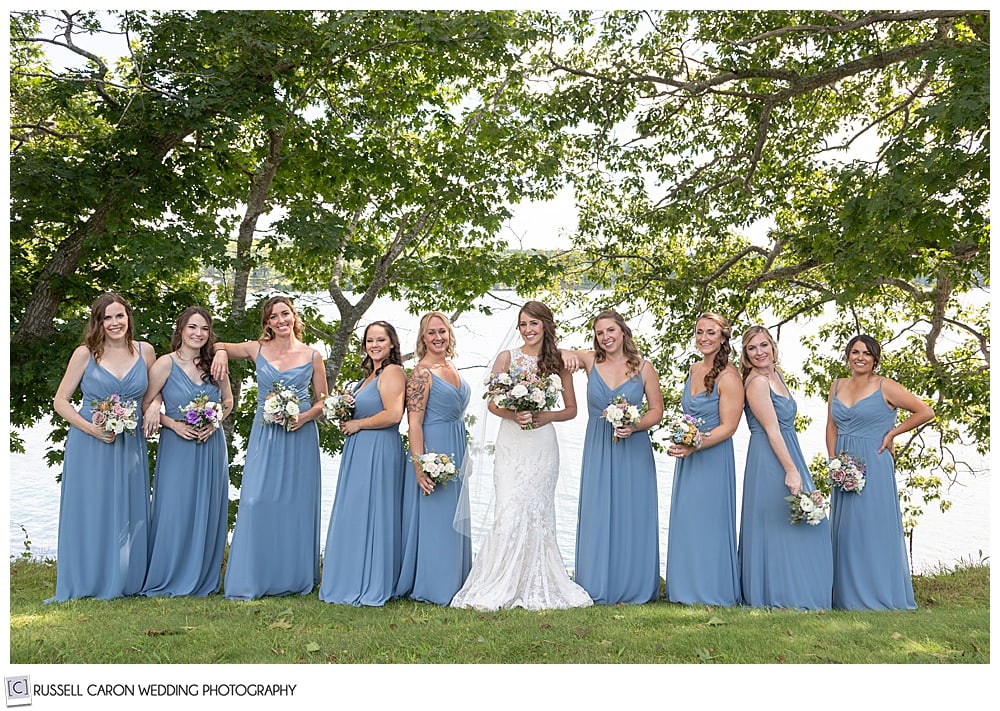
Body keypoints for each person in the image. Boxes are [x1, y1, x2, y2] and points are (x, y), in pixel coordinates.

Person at [451, 300, 592, 610]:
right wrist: (514, 415)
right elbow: (491, 404)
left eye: (534, 323)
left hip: (542, 443)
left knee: (539, 510)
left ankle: (538, 581)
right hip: (512, 442)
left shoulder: (556, 361)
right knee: (509, 507)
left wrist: (546, 416)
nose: (528, 330)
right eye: (523, 324)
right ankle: (500, 580)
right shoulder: (507, 358)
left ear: (545, 326)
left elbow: (571, 409)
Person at [210, 296, 327, 600]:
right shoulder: (256, 348)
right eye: (273, 317)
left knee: (295, 505)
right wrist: (221, 353)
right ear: (267, 322)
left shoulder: (313, 355)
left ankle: (291, 578)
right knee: (254, 500)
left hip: (300, 434)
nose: (280, 321)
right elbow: (218, 344)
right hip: (266, 434)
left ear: (294, 316)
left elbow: (323, 400)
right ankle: (252, 576)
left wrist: (304, 417)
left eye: (285, 314)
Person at [48, 292, 158, 602]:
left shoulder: (145, 352)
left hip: (130, 443)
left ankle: (128, 578)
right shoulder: (85, 354)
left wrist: (153, 407)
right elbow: (60, 402)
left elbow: (153, 393)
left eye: (119, 316)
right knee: (92, 507)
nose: (114, 323)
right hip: (90, 441)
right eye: (107, 318)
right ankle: (88, 578)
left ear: (128, 318)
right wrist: (92, 429)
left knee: (129, 508)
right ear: (98, 322)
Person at [827, 334, 933, 610]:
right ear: (848, 355)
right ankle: (844, 596)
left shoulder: (886, 386)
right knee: (846, 530)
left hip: (874, 461)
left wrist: (892, 434)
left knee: (873, 528)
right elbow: (832, 427)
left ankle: (878, 593)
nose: (860, 357)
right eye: (855, 352)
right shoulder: (836, 385)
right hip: (845, 465)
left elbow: (925, 411)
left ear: (875, 359)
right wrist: (834, 462)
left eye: (866, 353)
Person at [564, 310, 663, 604]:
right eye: (599, 333)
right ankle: (596, 583)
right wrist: (568, 352)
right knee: (598, 512)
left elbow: (657, 411)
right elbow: (555, 352)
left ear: (623, 332)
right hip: (598, 446)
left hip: (633, 448)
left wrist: (634, 426)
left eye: (610, 331)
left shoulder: (644, 368)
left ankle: (634, 586)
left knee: (633, 512)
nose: (605, 337)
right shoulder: (590, 360)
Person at [737, 325, 832, 609]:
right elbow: (771, 430)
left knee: (807, 523)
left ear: (773, 347)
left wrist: (795, 465)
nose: (759, 352)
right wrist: (792, 470)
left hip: (790, 451)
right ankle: (779, 595)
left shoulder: (775, 375)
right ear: (745, 354)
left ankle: (804, 593)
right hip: (770, 457)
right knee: (781, 524)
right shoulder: (756, 383)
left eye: (763, 345)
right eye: (752, 348)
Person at [141, 306, 234, 597]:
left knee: (207, 508)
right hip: (177, 445)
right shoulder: (165, 364)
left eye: (204, 329)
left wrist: (215, 420)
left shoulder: (214, 365)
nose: (198, 334)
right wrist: (170, 422)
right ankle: (168, 575)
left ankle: (203, 578)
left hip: (211, 445)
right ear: (181, 329)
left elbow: (229, 401)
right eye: (192, 327)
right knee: (174, 509)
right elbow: (145, 403)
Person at [320, 321, 407, 606]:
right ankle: (351, 576)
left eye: (380, 340)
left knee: (375, 513)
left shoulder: (393, 371)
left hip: (379, 449)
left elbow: (394, 415)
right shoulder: (369, 375)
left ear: (392, 343)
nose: (374, 345)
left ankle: (373, 580)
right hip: (359, 450)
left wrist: (358, 424)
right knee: (356, 513)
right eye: (370, 340)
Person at [664, 312, 743, 606]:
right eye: (699, 332)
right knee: (687, 519)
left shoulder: (730, 377)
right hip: (690, 454)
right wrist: (683, 439)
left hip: (712, 457)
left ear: (723, 337)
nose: (704, 338)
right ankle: (685, 590)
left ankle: (712, 591)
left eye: (711, 332)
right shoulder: (694, 368)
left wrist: (695, 444)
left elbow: (729, 427)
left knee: (708, 521)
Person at [396, 312, 473, 605]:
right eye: (431, 333)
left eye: (442, 331)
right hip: (433, 450)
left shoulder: (450, 365)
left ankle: (458, 581)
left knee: (454, 519)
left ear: (449, 335)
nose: (438, 337)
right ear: (423, 338)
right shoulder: (421, 373)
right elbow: (413, 422)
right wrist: (419, 465)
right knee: (437, 518)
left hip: (456, 446)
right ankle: (434, 586)